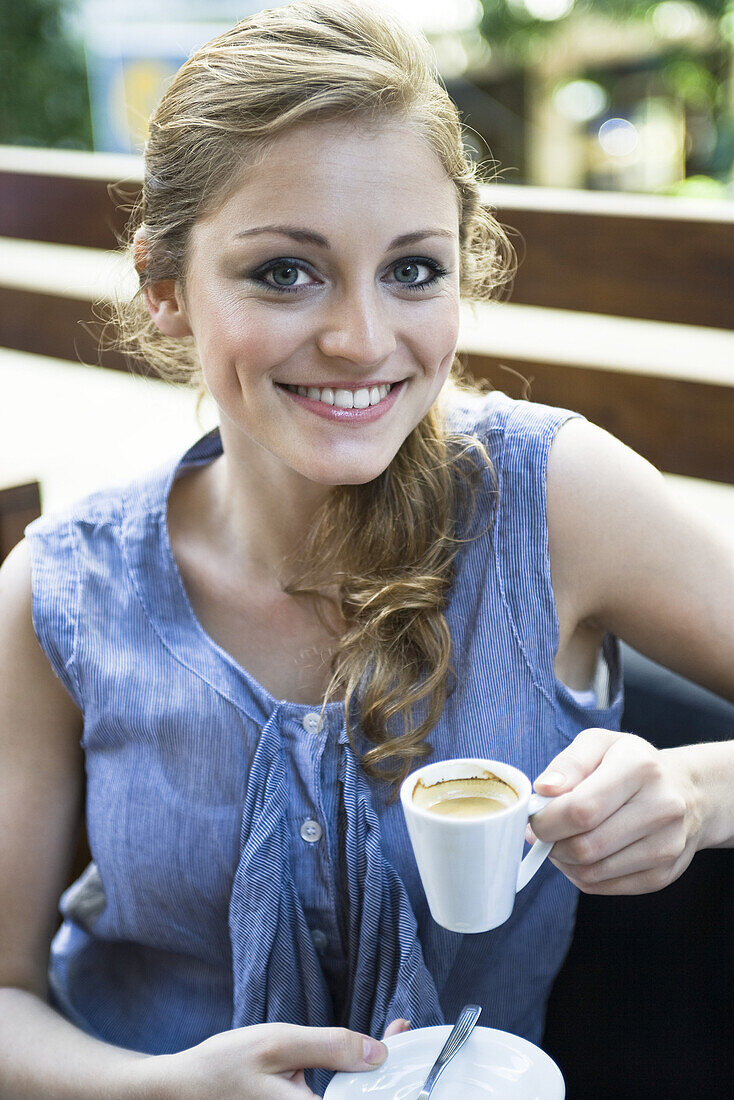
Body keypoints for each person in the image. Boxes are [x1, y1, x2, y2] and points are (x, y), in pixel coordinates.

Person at [1, 1, 732, 1097]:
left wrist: (701, 790)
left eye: (412, 270)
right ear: (164, 287)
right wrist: (148, 1086)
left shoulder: (554, 500)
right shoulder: (57, 590)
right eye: (284, 273)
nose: (359, 339)